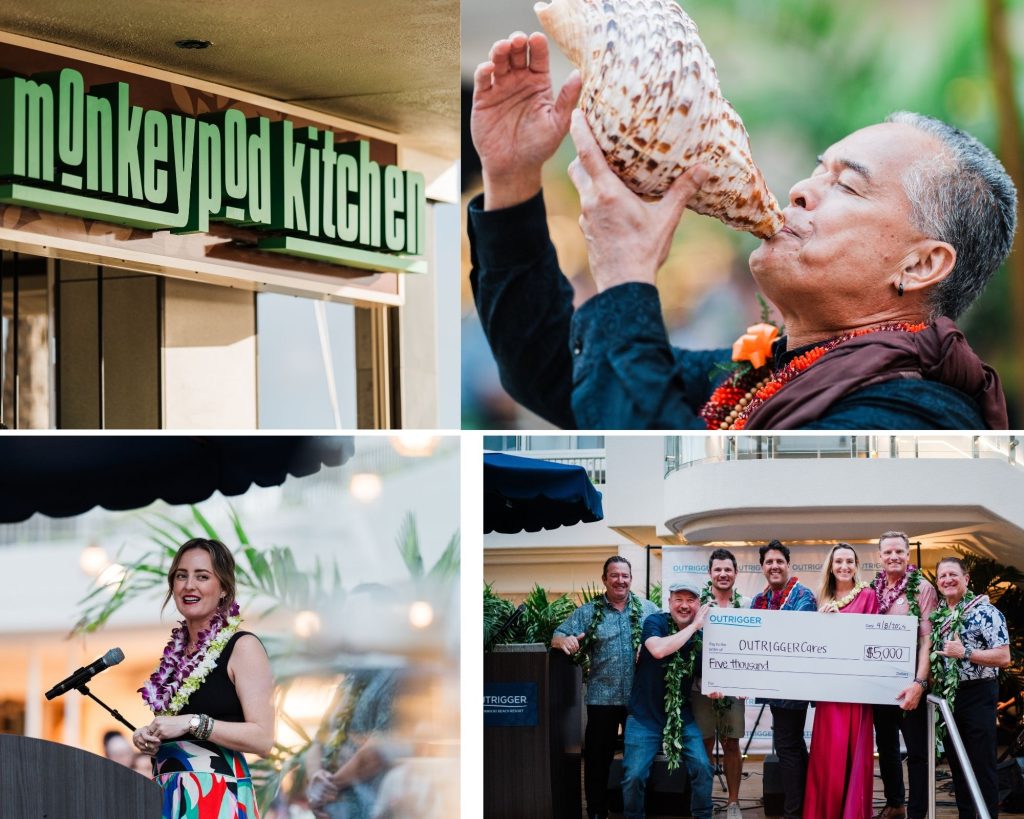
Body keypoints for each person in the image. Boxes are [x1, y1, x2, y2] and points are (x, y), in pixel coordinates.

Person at [468, 31, 1015, 430]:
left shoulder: (914, 417)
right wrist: (511, 175)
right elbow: (553, 369)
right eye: (817, 169)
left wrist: (627, 274)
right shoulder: (761, 375)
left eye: (846, 186)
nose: (800, 189)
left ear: (920, 264)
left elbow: (672, 488)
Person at [132, 538, 274, 819]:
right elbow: (176, 729)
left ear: (223, 589)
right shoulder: (175, 658)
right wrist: (149, 735)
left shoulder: (243, 647)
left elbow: (264, 738)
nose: (189, 585)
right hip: (167, 792)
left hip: (216, 794)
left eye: (202, 576)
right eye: (181, 576)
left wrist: (192, 722)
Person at [551, 556, 659, 819]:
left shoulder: (648, 609)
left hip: (639, 699)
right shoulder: (589, 612)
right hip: (602, 698)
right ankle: (597, 812)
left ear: (631, 579)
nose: (620, 580)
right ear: (605, 579)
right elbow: (557, 634)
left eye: (625, 575)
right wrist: (564, 642)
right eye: (614, 575)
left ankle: (639, 810)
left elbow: (663, 641)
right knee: (598, 762)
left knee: (640, 760)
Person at [621, 581, 713, 819]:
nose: (684, 606)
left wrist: (721, 688)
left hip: (681, 715)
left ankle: (703, 815)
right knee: (633, 776)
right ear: (669, 602)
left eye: (690, 600)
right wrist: (694, 627)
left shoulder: (701, 638)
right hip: (644, 716)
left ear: (698, 605)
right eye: (679, 600)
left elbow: (703, 680)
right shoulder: (655, 622)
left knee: (703, 767)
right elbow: (659, 650)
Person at [802, 544, 879, 819]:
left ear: (856, 565)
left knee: (853, 754)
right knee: (828, 755)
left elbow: (872, 639)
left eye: (849, 561)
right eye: (839, 561)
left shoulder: (868, 595)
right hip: (829, 690)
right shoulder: (822, 596)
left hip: (856, 690)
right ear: (831, 566)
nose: (844, 566)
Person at [932, 556, 1010, 819]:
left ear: (966, 579)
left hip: (979, 692)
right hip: (949, 697)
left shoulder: (986, 612)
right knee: (958, 765)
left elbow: (1004, 657)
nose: (947, 580)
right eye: (942, 576)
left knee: (981, 764)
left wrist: (965, 652)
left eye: (953, 574)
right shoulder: (938, 614)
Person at [871, 532, 939, 819]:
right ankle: (896, 802)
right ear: (880, 557)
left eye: (899, 551)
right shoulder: (873, 589)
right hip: (879, 686)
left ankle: (918, 812)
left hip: (910, 685)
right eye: (888, 552)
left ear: (908, 555)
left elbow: (927, 641)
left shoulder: (922, 588)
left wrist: (919, 684)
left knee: (917, 753)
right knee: (886, 747)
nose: (893, 557)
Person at [749, 541, 817, 819]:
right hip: (770, 685)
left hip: (793, 684)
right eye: (769, 562)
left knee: (787, 745)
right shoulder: (758, 600)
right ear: (763, 567)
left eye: (779, 561)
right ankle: (804, 806)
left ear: (788, 564)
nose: (774, 566)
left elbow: (796, 636)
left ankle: (793, 812)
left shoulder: (804, 596)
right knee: (793, 744)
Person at [691, 548, 749, 819]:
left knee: (732, 745)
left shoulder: (747, 605)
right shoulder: (697, 607)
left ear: (736, 574)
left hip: (734, 690)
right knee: (703, 743)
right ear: (710, 574)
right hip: (701, 688)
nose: (723, 574)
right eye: (718, 569)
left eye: (728, 569)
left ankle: (733, 803)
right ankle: (703, 801)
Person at [305, 667, 402, 819]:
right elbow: (317, 742)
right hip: (333, 811)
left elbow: (377, 751)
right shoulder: (349, 679)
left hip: (370, 809)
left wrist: (325, 790)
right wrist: (315, 777)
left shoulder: (395, 674)